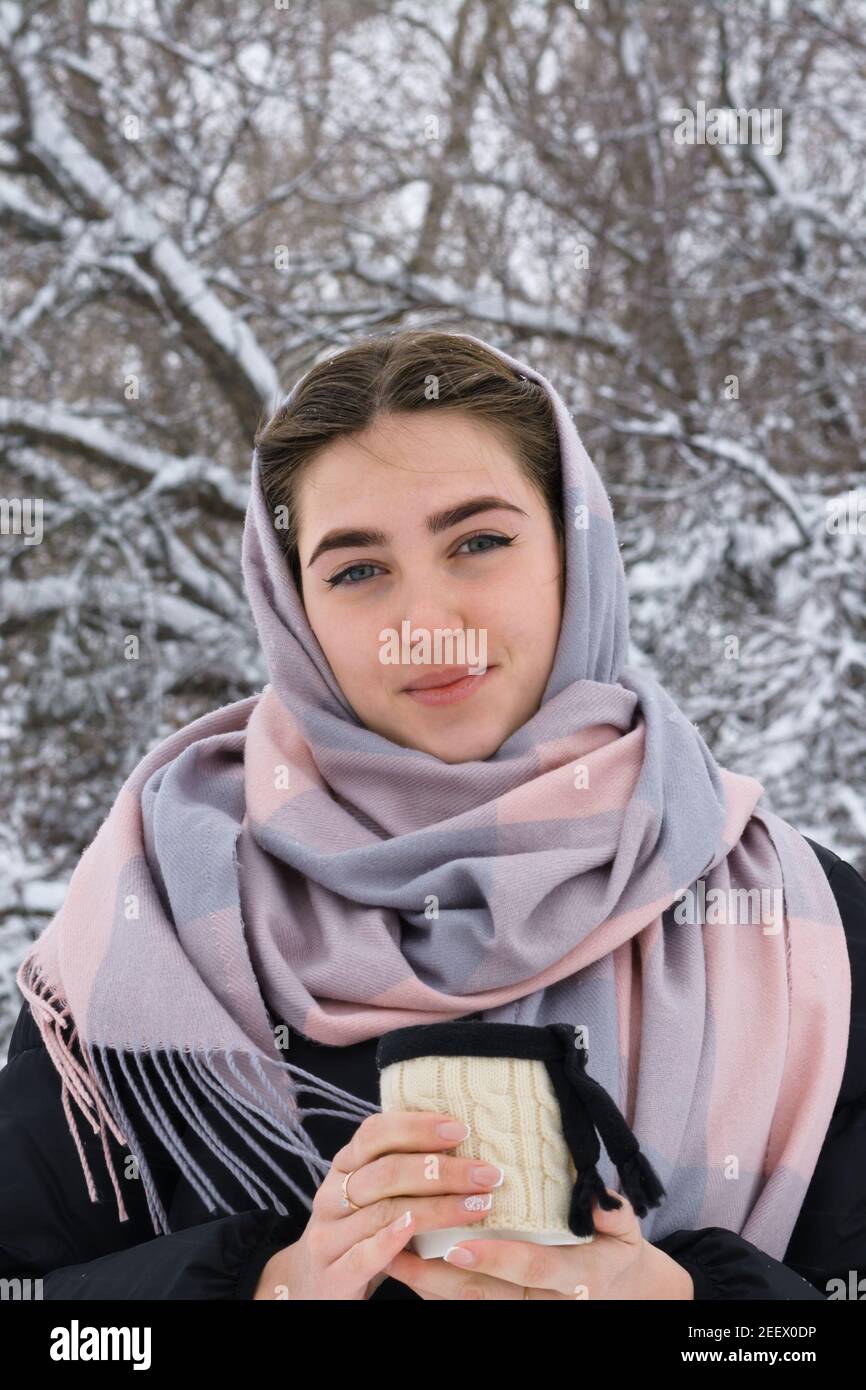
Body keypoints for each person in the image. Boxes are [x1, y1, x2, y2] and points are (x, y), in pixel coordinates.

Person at [1, 330, 864, 1301]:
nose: (429, 619)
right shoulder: (153, 913)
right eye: (357, 570)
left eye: (479, 542)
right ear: (294, 610)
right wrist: (267, 1287)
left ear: (572, 548)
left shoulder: (802, 928)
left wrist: (693, 1312)